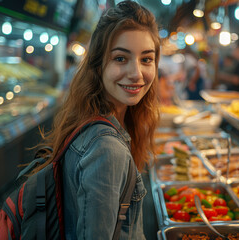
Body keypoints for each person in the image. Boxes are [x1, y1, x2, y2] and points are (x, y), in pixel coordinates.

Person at [33, 1, 160, 239]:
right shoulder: (106, 149)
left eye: (146, 59)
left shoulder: (97, 121)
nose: (136, 73)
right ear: (98, 63)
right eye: (121, 58)